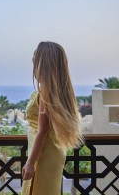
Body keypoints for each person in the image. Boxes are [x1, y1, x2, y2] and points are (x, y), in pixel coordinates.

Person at [21, 41, 84, 195]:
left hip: (42, 155)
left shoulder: (46, 92)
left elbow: (42, 130)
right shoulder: (56, 90)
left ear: (44, 64)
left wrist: (30, 163)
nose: (33, 62)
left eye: (36, 59)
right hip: (52, 151)